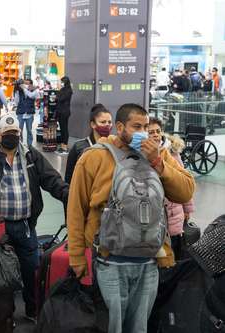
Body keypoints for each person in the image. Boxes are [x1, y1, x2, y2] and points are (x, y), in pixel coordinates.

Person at [67, 103, 196, 333]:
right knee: (110, 327)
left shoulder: (158, 154)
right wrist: (77, 257)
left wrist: (158, 161)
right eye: (136, 126)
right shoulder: (95, 157)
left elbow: (186, 191)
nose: (144, 133)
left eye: (146, 126)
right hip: (109, 263)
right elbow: (76, 209)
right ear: (119, 127)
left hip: (149, 263)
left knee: (140, 328)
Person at [0, 113, 69, 323]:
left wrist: (70, 194)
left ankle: (32, 310)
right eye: (7, 133)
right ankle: (4, 315)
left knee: (31, 270)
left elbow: (51, 179)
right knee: (1, 274)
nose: (11, 136)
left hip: (26, 226)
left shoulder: (30, 155)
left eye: (15, 132)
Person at [148, 118, 195, 260]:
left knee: (174, 250)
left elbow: (184, 180)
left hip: (174, 212)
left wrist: (188, 209)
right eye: (151, 132)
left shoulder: (172, 153)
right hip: (156, 215)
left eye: (158, 131)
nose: (156, 134)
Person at [64, 104, 112, 184]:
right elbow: (69, 178)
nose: (107, 125)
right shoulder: (78, 147)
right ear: (93, 124)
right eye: (103, 122)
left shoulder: (114, 146)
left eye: (109, 122)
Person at [14, 79, 40, 147]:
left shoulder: (35, 91)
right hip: (21, 113)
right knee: (19, 130)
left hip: (29, 113)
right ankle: (20, 145)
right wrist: (16, 92)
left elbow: (31, 96)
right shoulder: (19, 91)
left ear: (31, 84)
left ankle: (30, 145)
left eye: (27, 84)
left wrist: (25, 89)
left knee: (29, 130)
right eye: (24, 83)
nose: (25, 85)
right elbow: (16, 102)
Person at [56, 76, 73, 153]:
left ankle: (65, 146)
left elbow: (60, 99)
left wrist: (59, 90)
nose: (60, 83)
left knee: (64, 129)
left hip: (64, 112)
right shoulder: (64, 90)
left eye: (61, 82)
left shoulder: (68, 90)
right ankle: (63, 145)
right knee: (62, 129)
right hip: (60, 111)